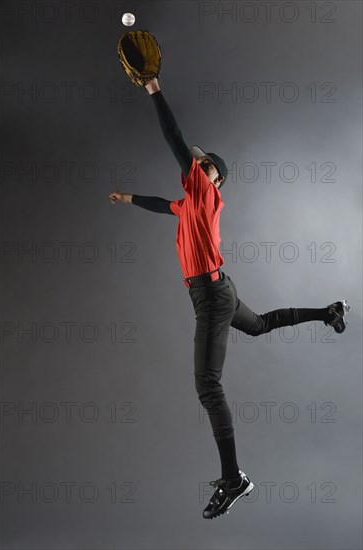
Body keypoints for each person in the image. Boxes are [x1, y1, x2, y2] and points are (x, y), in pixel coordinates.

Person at [109, 77, 350, 520]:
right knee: (258, 325)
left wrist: (153, 88)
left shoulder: (206, 192)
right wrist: (128, 197)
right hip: (217, 290)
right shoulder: (189, 203)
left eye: (202, 165)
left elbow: (174, 137)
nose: (194, 166)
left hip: (212, 294)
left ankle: (234, 478)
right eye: (195, 165)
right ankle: (329, 311)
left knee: (207, 385)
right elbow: (163, 204)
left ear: (214, 176)